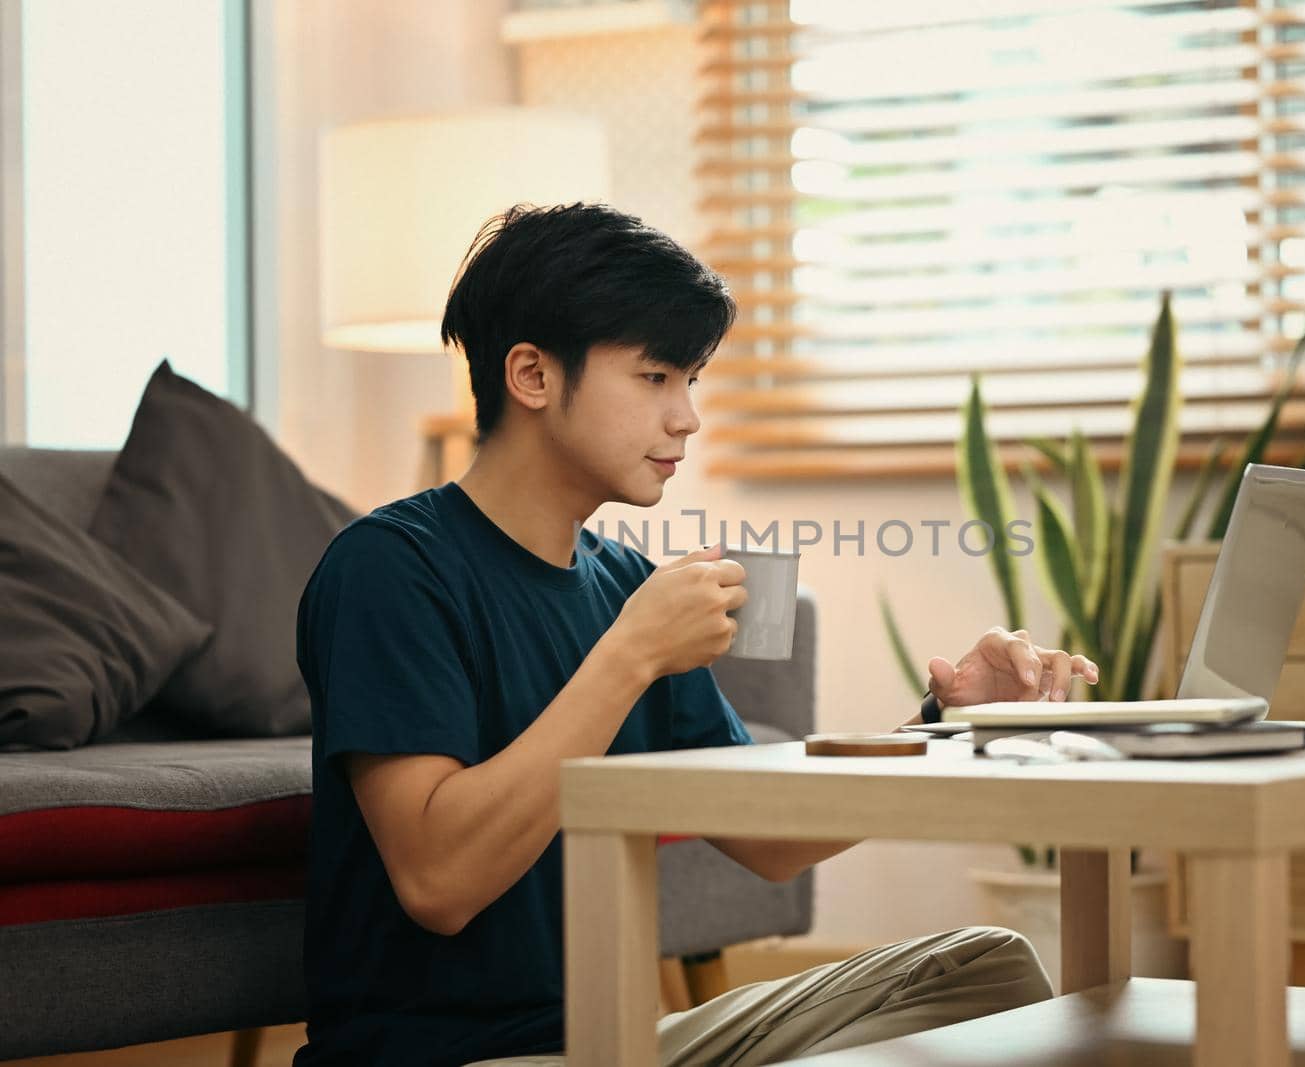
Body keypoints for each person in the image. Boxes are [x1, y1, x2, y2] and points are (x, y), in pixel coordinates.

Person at [291, 202, 1100, 1067]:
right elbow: (439, 882)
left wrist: (945, 722)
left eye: (692, 380)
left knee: (985, 968)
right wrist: (633, 653)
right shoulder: (391, 568)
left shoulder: (625, 586)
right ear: (530, 374)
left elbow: (772, 837)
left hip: (613, 1042)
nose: (687, 418)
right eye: (654, 377)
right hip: (445, 1057)